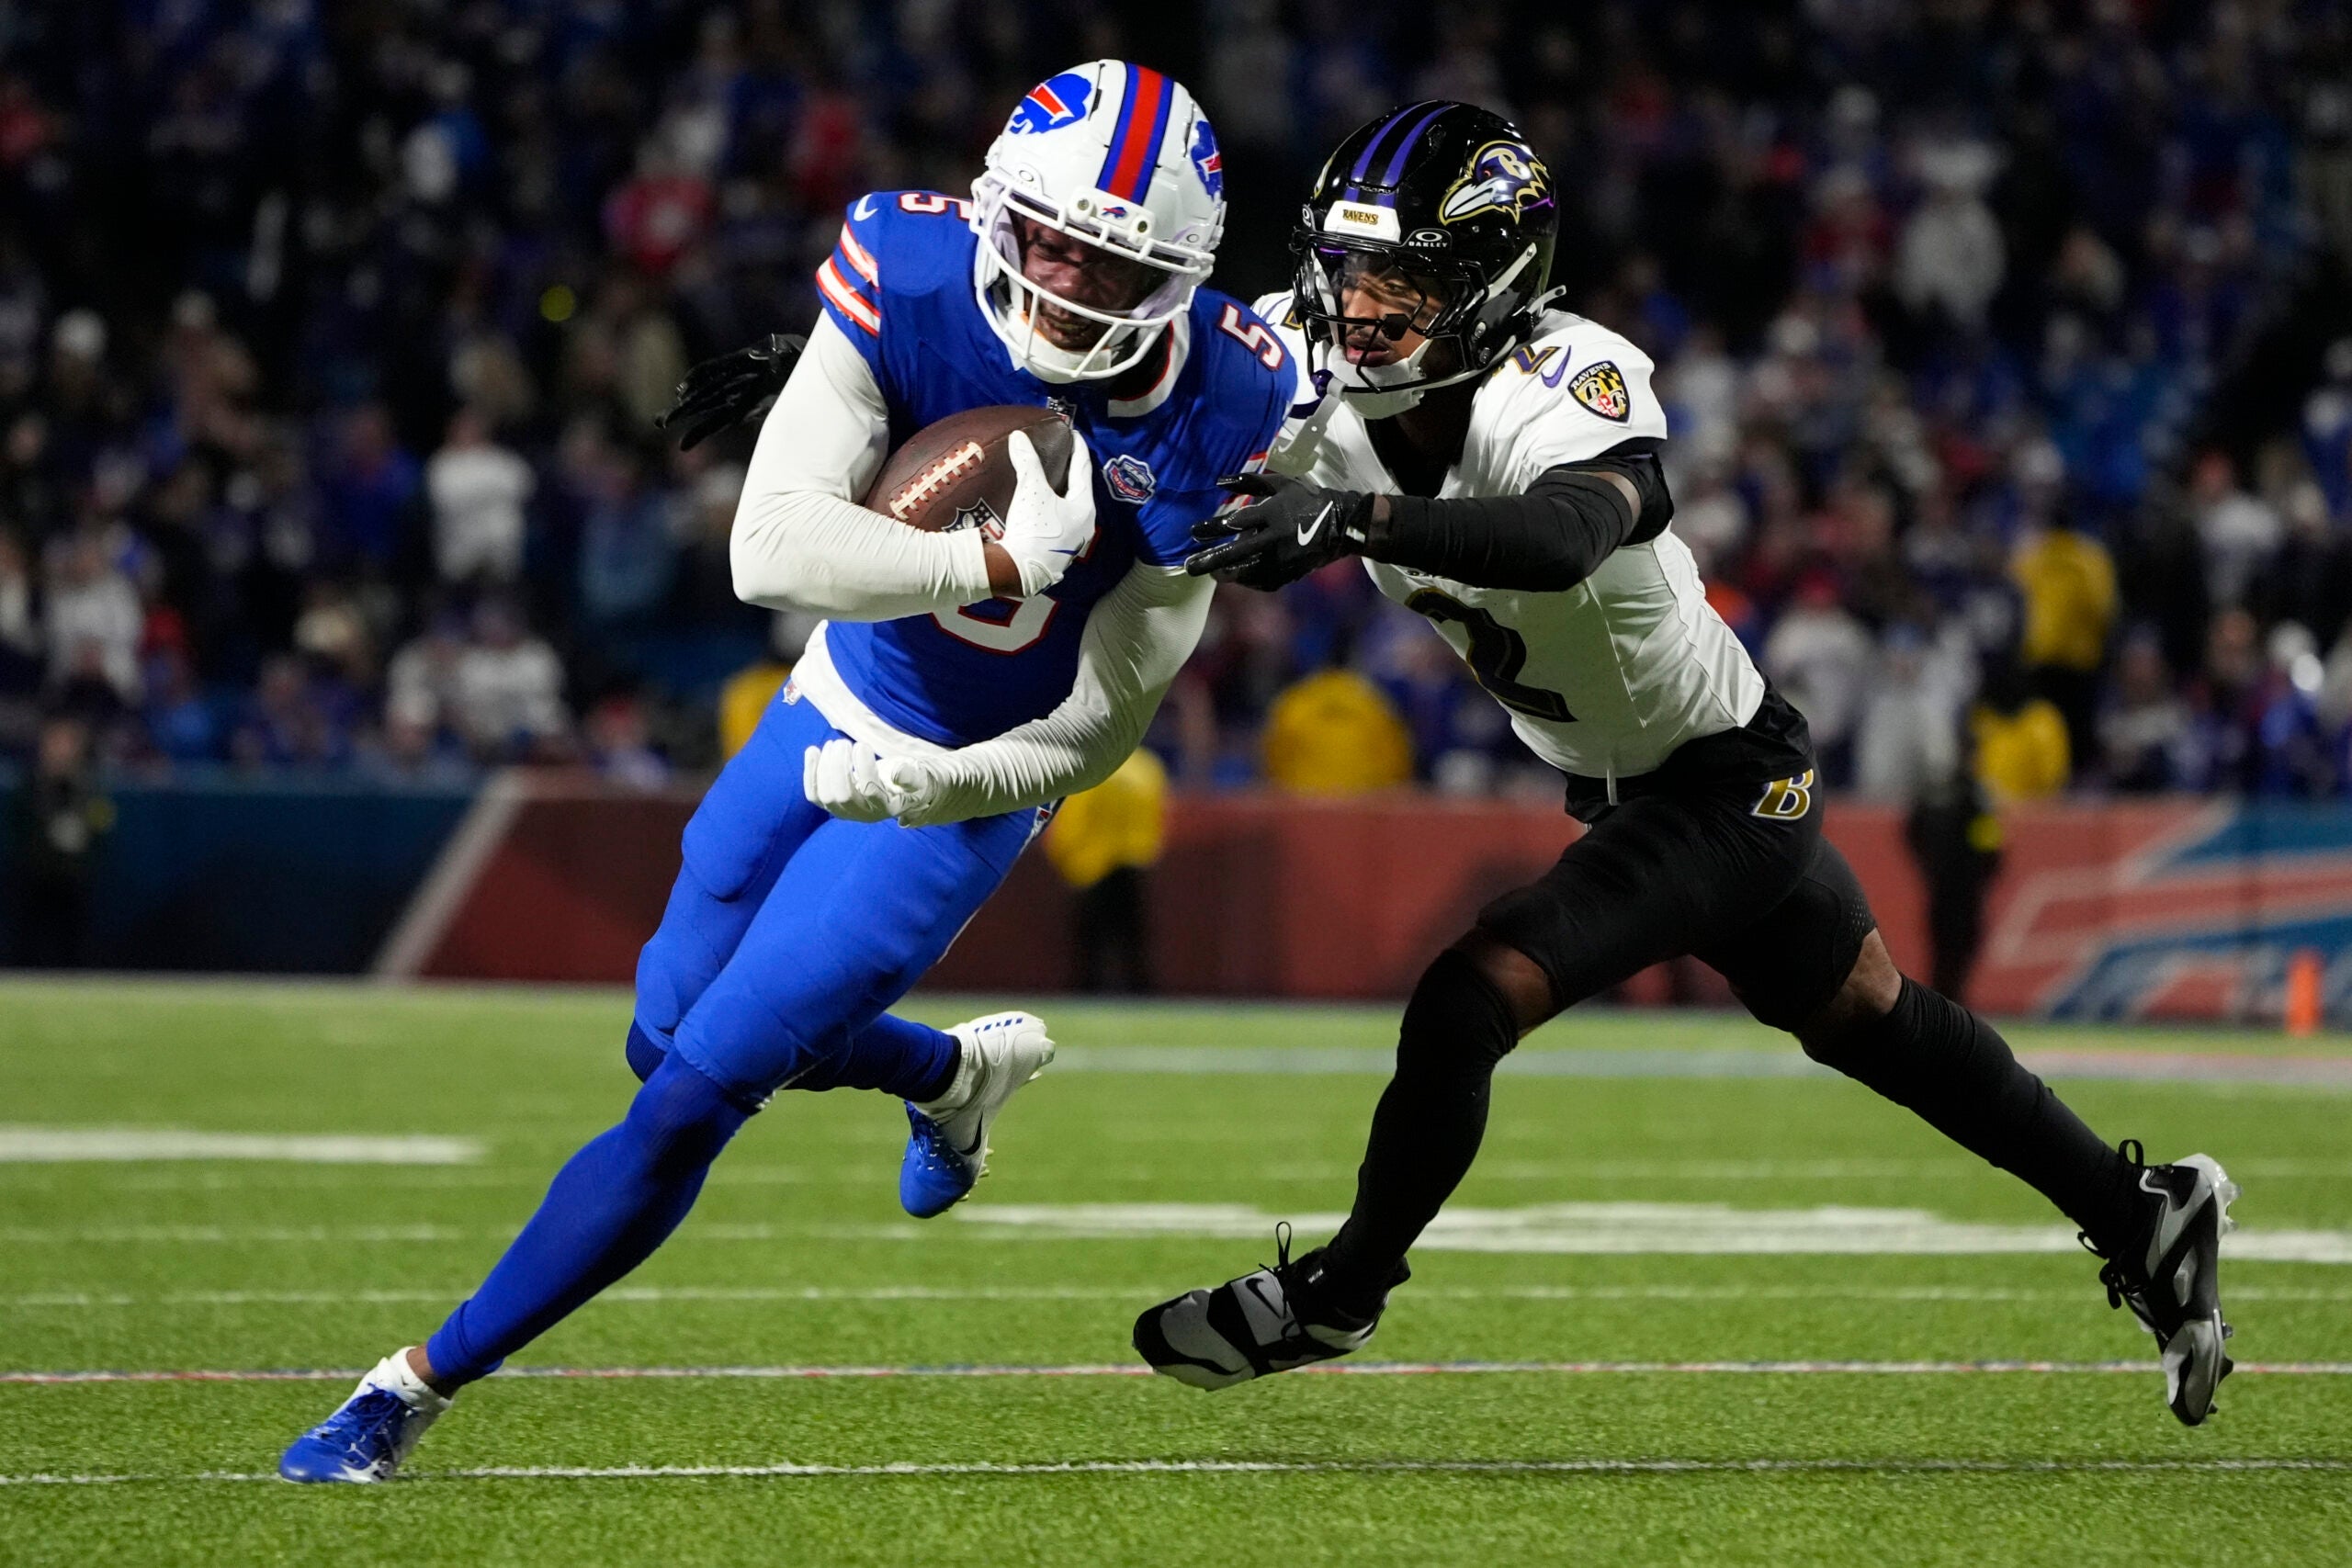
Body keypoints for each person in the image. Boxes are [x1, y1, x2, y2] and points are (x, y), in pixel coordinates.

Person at [1130, 103, 2236, 1428]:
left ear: (1493, 287)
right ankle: (2146, 1214)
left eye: (1408, 282)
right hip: (1625, 776)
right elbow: (1135, 379)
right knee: (1871, 1020)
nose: (1364, 310)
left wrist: (1354, 514)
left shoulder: (1571, 375)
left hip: (1721, 778)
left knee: (1468, 999)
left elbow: (1562, 532)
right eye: (1352, 273)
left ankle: (1342, 1294)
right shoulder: (1296, 354)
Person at [281, 61, 1290, 1483]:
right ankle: (947, 1073)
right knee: (661, 1030)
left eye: (1107, 255)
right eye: (1045, 235)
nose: (1061, 277)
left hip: (968, 788)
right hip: (835, 696)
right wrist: (985, 560)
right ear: (1002, 210)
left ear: (1174, 273)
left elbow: (1106, 721)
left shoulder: (1230, 406)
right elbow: (770, 549)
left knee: (686, 1098)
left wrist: (935, 795)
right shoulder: (916, 260)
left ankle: (407, 1387)